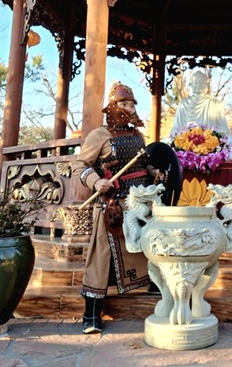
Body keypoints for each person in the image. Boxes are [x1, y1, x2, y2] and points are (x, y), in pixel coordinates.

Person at [72, 81, 164, 334]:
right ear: (112, 106)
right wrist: (96, 181)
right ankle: (92, 315)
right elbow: (80, 165)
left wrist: (155, 173)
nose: (129, 109)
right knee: (101, 256)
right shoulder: (99, 135)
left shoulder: (138, 137)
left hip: (139, 202)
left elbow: (143, 166)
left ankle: (155, 293)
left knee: (148, 244)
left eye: (132, 105)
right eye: (123, 103)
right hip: (111, 205)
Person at [170, 70, 232, 149]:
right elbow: (176, 129)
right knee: (166, 141)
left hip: (211, 142)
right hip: (186, 142)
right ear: (191, 84)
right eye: (196, 82)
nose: (198, 85)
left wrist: (215, 135)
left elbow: (223, 129)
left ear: (206, 84)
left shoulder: (214, 102)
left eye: (201, 82)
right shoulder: (183, 103)